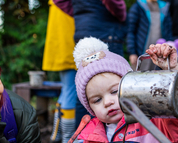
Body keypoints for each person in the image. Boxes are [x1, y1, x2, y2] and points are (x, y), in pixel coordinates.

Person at [73, 37, 178, 143]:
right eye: (97, 100)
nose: (107, 102)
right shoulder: (90, 139)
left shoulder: (154, 118)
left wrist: (175, 71)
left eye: (115, 91)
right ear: (89, 107)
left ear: (131, 86)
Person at [53, 0, 127, 132]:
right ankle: (123, 133)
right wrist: (120, 12)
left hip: (83, 29)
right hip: (106, 30)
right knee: (114, 83)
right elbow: (116, 5)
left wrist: (80, 13)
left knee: (87, 89)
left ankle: (84, 138)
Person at [42, 0, 78, 143]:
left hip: (61, 49)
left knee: (66, 89)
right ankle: (68, 139)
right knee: (70, 90)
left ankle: (57, 134)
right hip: (69, 48)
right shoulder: (66, 4)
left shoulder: (56, 3)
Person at [127, 0, 173, 70]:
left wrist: (169, 48)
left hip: (159, 53)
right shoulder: (138, 6)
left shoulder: (164, 7)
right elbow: (130, 31)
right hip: (141, 51)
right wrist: (132, 52)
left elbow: (168, 30)